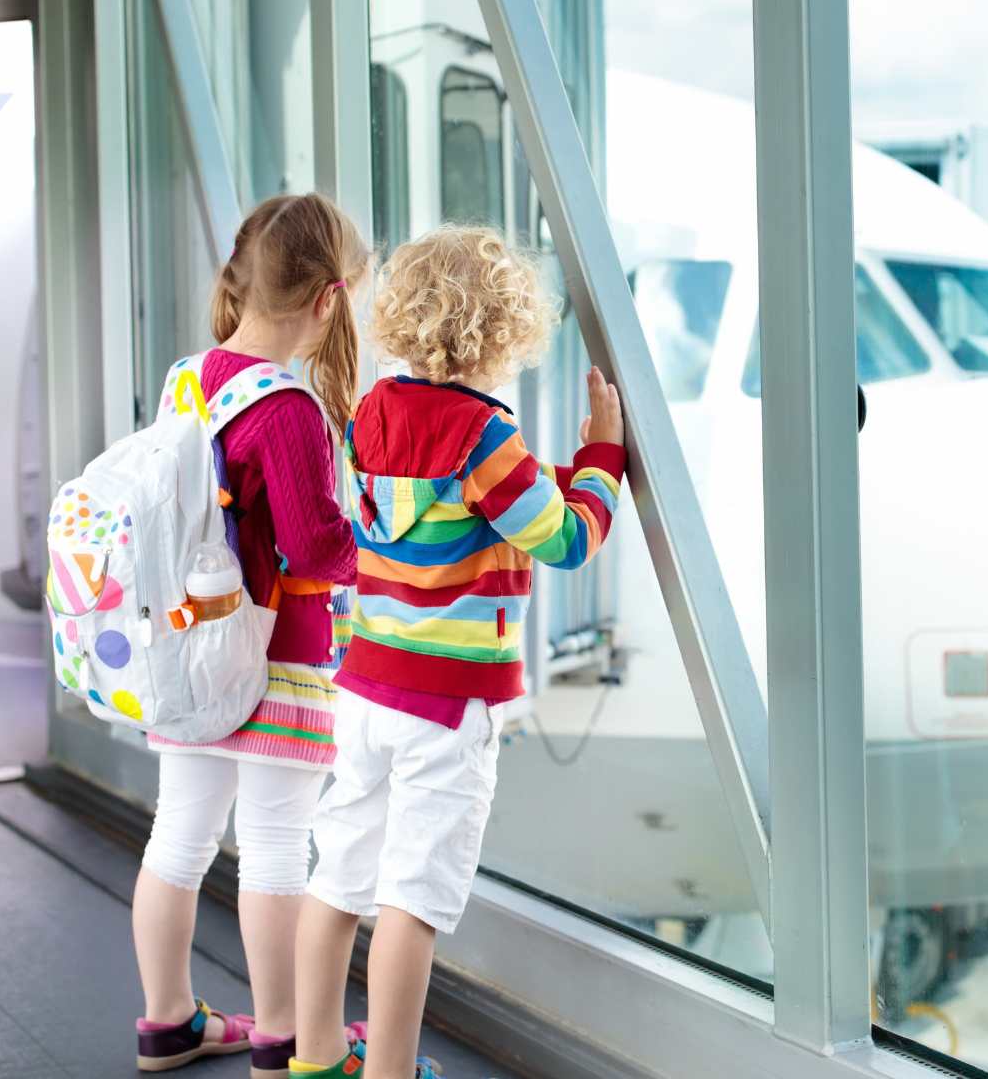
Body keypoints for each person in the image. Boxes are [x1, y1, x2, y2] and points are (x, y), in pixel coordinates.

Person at [288, 226, 627, 1079]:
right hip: (446, 707)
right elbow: (566, 540)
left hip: (365, 688)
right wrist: (603, 457)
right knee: (412, 899)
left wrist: (542, 475)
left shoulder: (373, 412)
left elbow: (459, 502)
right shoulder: (484, 439)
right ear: (507, 335)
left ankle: (318, 1056)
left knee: (338, 874)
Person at [131, 192, 367, 1077]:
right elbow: (317, 546)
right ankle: (285, 1037)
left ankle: (167, 1022)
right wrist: (382, 545)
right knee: (274, 850)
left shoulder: (186, 379)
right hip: (278, 658)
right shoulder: (289, 409)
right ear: (329, 299)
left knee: (178, 837)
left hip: (189, 650)